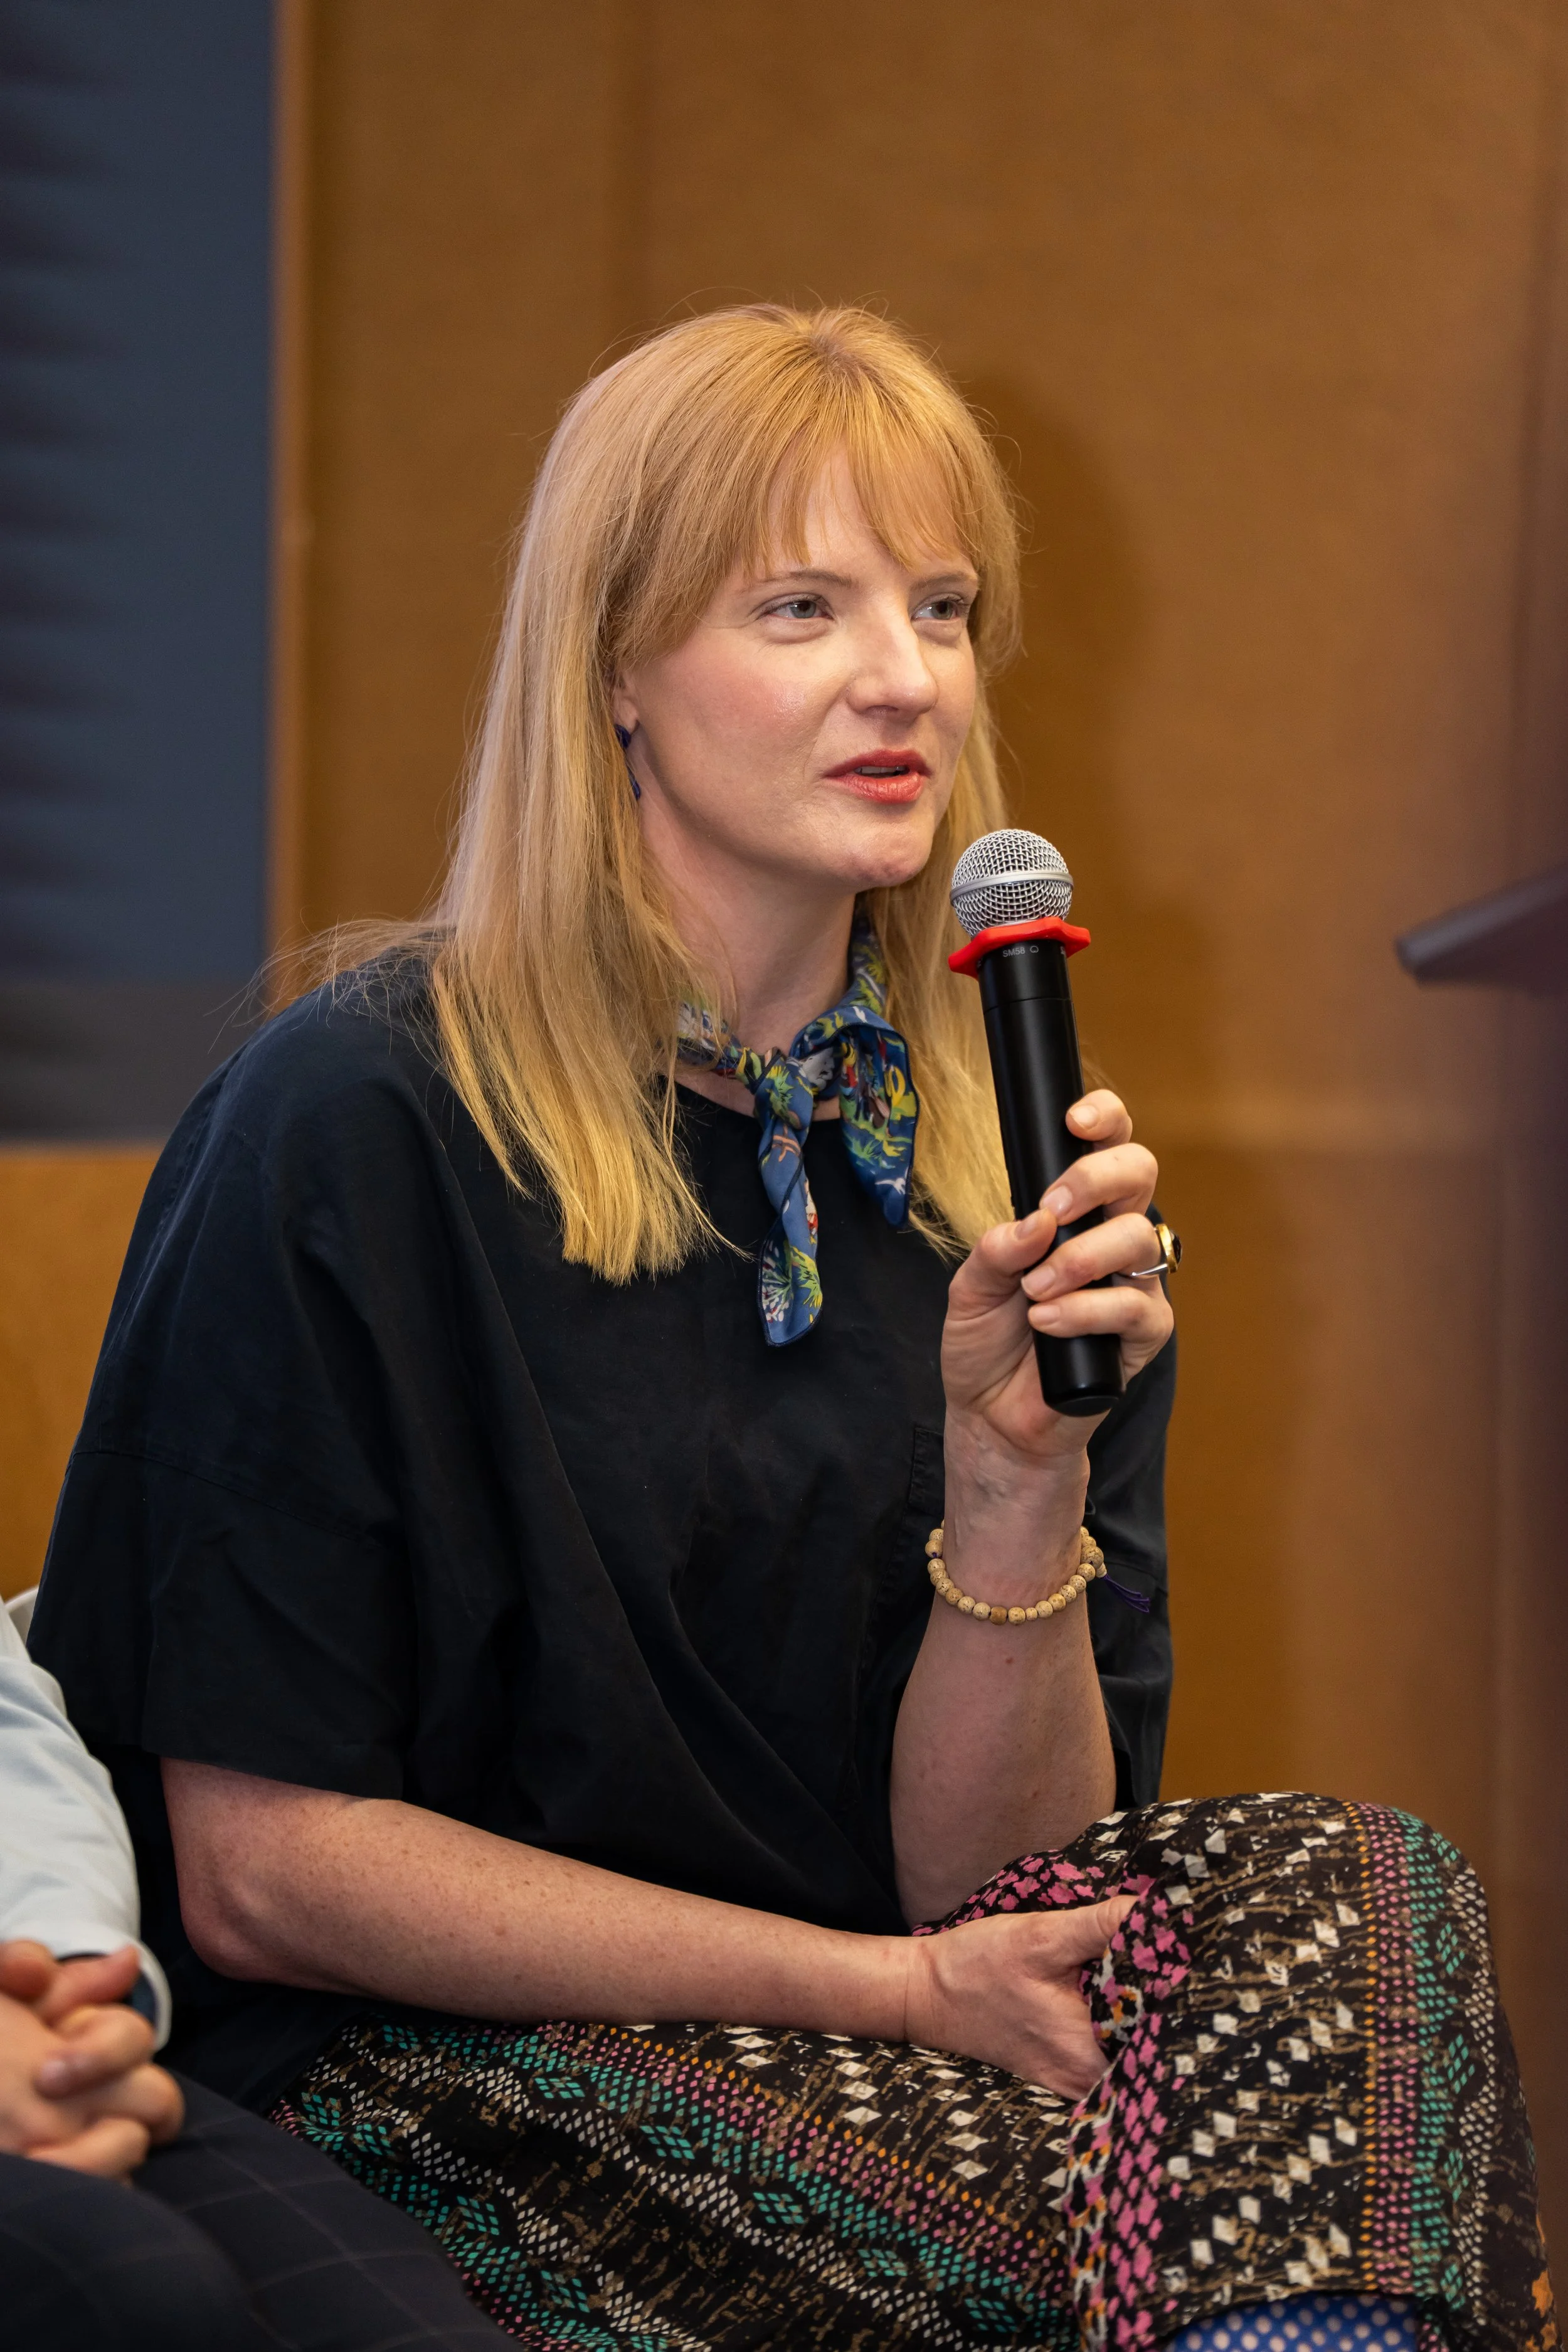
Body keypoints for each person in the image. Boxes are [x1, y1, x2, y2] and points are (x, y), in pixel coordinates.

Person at [30, 306, 1554, 2351]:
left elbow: (997, 1892)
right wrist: (879, 1996)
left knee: (1358, 1890)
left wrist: (1017, 1489)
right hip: (415, 2069)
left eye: (939, 606)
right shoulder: (357, 1115)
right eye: (801, 605)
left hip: (882, 2024)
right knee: (1131, 2198)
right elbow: (265, 1875)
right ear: (619, 676)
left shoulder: (1000, 1190)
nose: (902, 675)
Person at [0, 1592, 513, 2347]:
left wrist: (61, 1988)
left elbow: (16, 1746)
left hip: (38, 2032)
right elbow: (263, 1886)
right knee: (138, 2284)